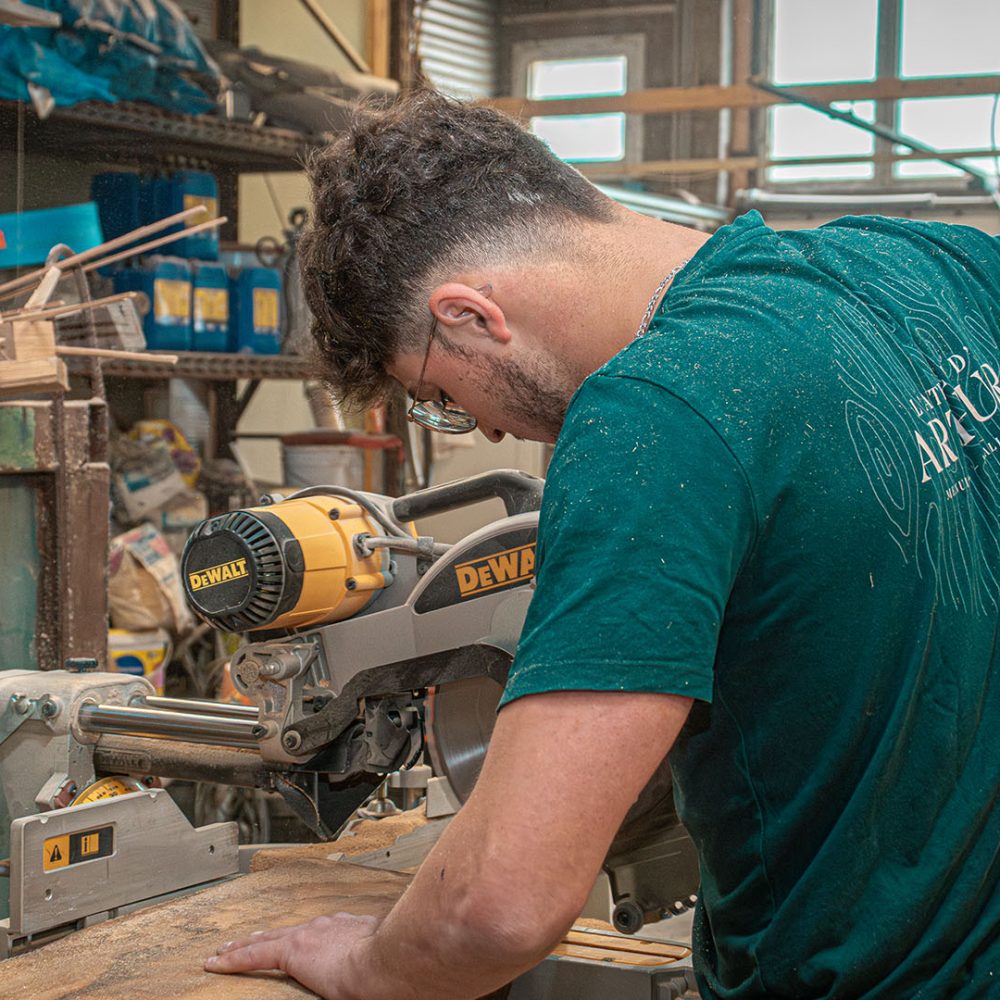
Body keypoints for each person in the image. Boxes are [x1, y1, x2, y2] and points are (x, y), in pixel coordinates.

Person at [204, 90, 1000, 998]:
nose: (483, 432)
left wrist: (365, 962)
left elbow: (498, 908)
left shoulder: (650, 419)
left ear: (468, 314)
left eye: (438, 394)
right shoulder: (934, 262)